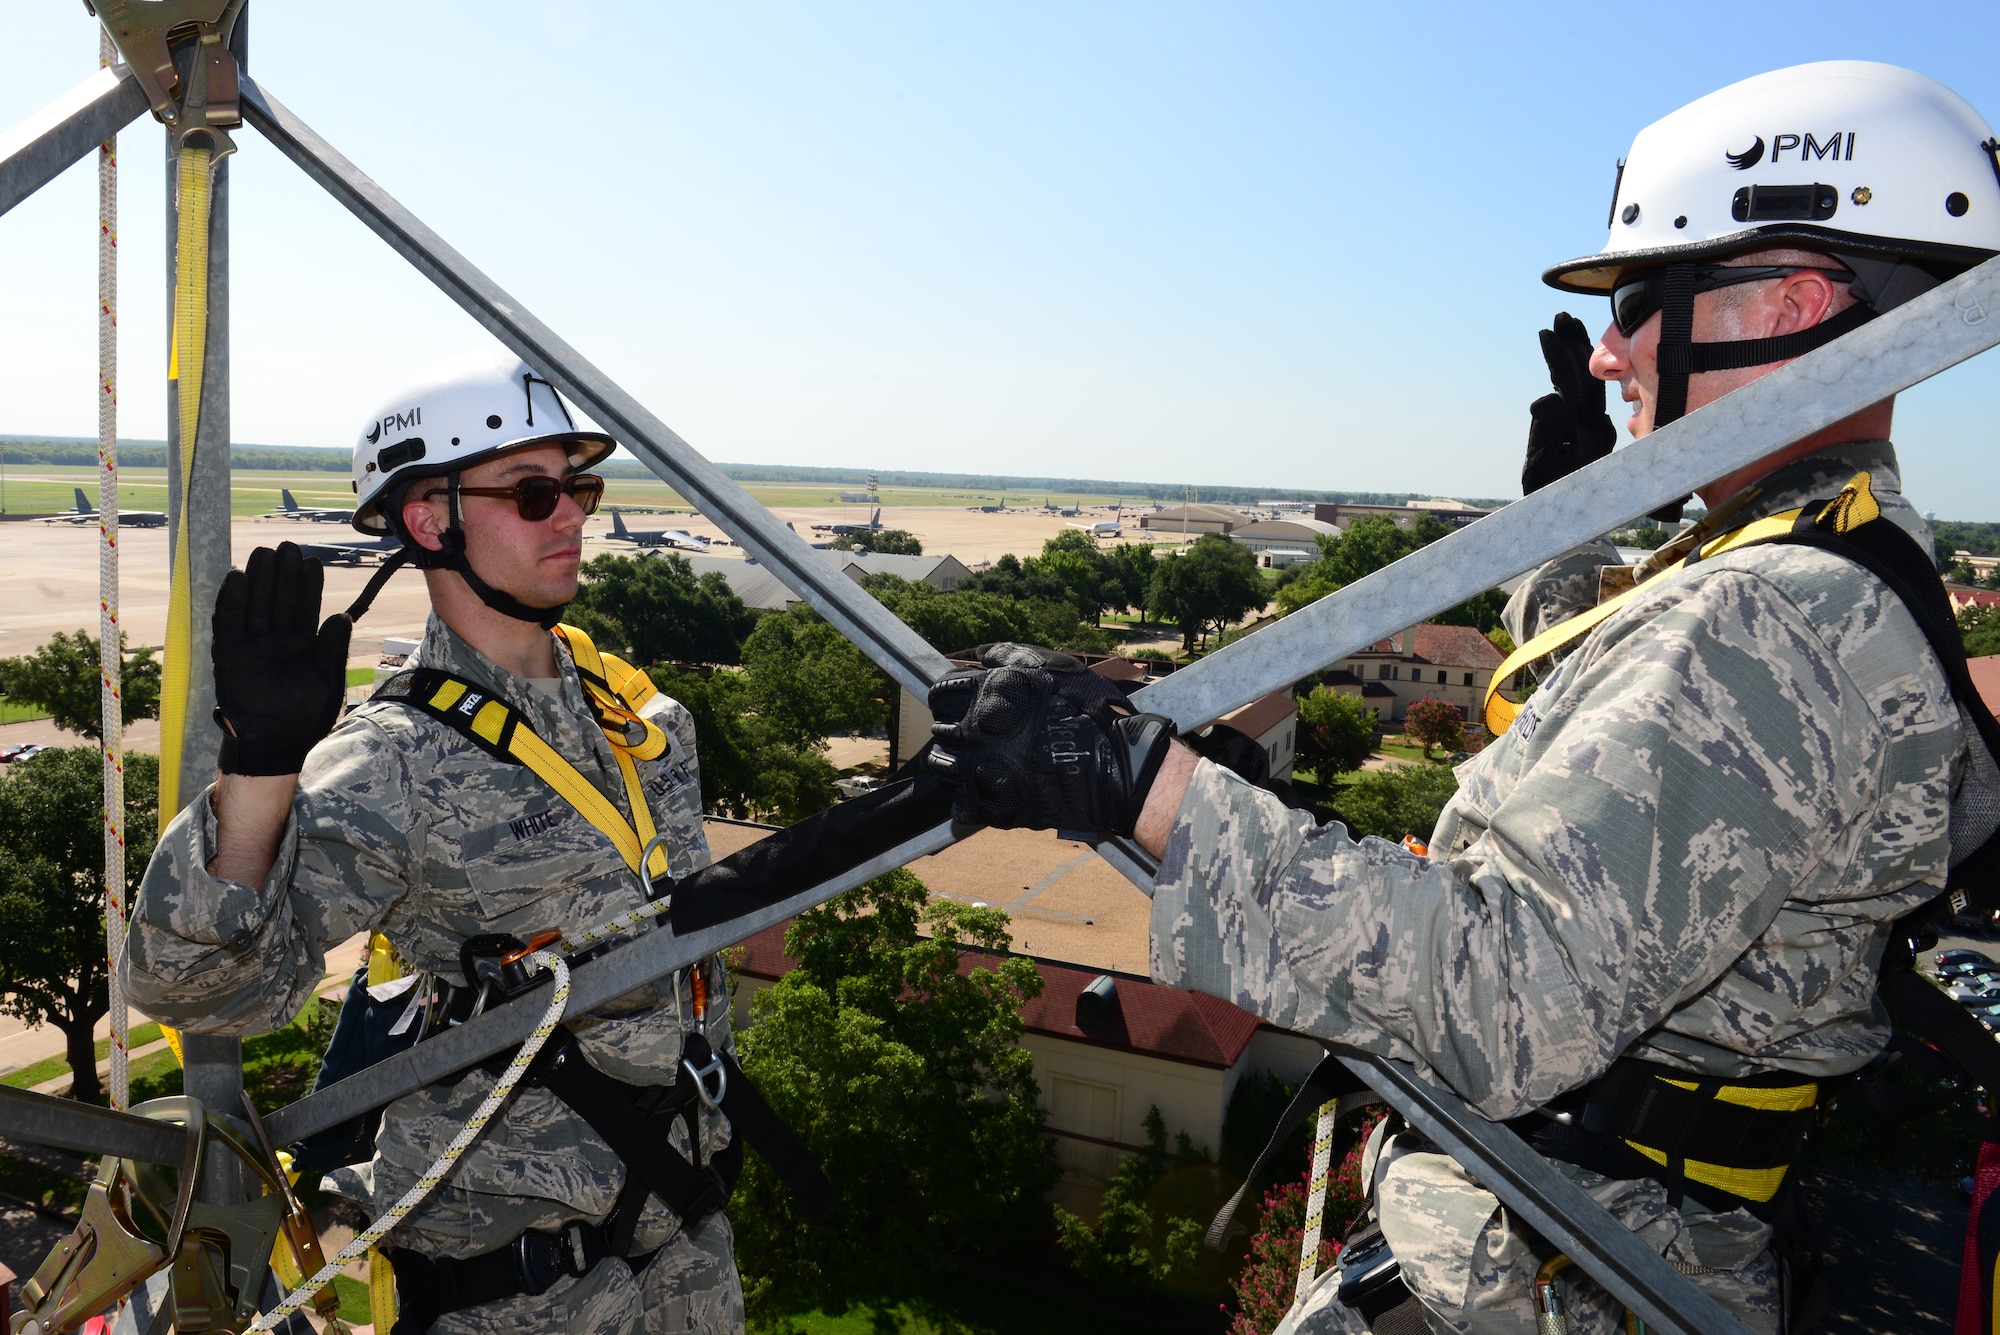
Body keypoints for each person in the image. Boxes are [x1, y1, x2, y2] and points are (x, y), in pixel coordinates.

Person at [925, 62, 2000, 1334]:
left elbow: (1508, 1001)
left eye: (1642, 300)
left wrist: (1137, 783)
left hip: (1560, 1270)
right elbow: (1607, 707)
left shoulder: (1767, 615)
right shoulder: (1814, 561)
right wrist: (1561, 534)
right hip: (1568, 1241)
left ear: (1793, 303)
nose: (1607, 351)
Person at [126, 353, 744, 1335]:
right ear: (429, 522)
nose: (574, 517)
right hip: (518, 1300)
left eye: (578, 487)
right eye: (535, 493)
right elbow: (184, 986)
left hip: (688, 1257)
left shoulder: (646, 725)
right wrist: (260, 769)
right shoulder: (394, 764)